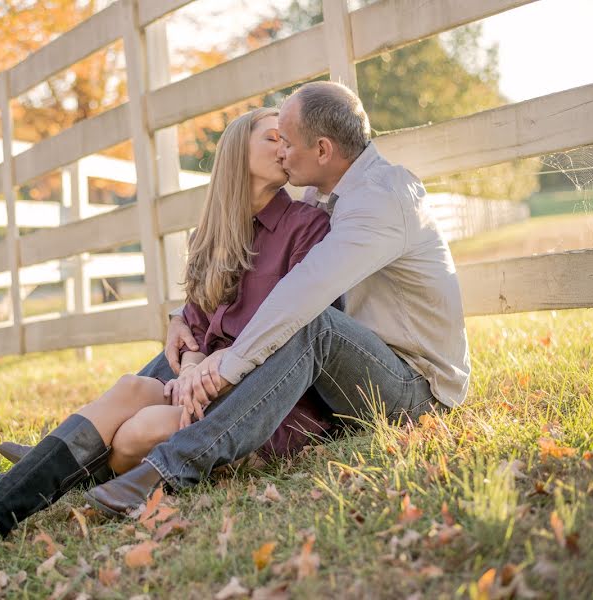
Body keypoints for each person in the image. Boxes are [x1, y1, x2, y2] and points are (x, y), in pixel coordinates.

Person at [0, 107, 338, 563]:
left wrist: (204, 372)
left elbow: (290, 334)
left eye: (289, 140)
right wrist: (194, 366)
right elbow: (197, 323)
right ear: (238, 153)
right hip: (205, 385)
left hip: (265, 402)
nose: (286, 148)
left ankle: (59, 464)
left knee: (138, 431)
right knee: (132, 388)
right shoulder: (215, 233)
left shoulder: (307, 226)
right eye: (273, 138)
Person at [84, 81, 471, 517]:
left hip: (415, 389)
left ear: (322, 150)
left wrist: (226, 368)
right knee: (179, 362)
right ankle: (78, 449)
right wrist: (184, 319)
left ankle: (170, 468)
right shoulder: (321, 193)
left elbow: (299, 297)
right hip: (351, 371)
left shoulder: (380, 199)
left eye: (286, 142)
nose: (282, 152)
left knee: (313, 323)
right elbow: (256, 282)